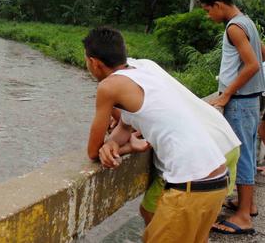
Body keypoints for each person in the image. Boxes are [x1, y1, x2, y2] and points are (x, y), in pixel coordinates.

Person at [84, 27, 231, 242]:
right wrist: (115, 144)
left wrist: (108, 147)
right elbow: (123, 129)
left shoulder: (109, 86)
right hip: (216, 179)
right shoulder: (144, 71)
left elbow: (91, 151)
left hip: (191, 185)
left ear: (94, 62)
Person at [200, 0, 265, 234]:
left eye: (208, 10)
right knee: (247, 149)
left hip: (239, 101)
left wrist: (226, 94)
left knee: (244, 154)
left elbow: (252, 66)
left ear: (218, 4)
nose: (209, 16)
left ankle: (244, 217)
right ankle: (248, 204)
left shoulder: (234, 27)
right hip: (250, 100)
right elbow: (260, 56)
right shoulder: (247, 22)